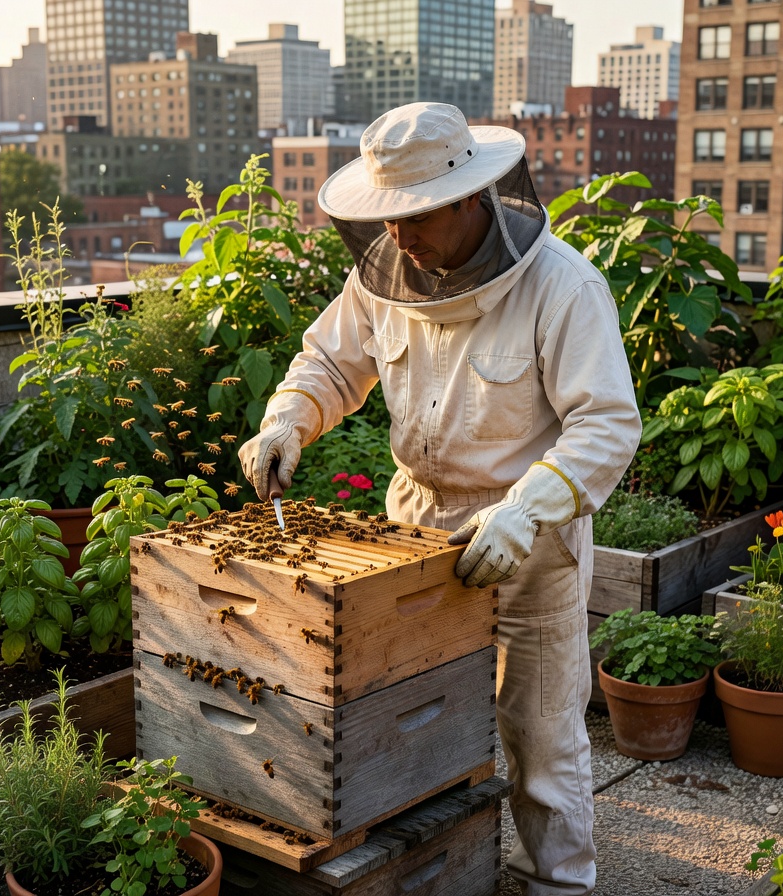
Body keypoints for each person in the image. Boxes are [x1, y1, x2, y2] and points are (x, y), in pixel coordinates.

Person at [238, 102, 640, 896]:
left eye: (416, 217)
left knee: (538, 729)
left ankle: (556, 880)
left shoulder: (563, 287)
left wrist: (527, 508)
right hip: (414, 527)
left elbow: (606, 423)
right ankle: (438, 871)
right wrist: (287, 418)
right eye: (387, 219)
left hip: (527, 532)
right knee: (409, 716)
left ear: (471, 198)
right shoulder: (384, 282)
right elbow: (329, 361)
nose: (398, 236)